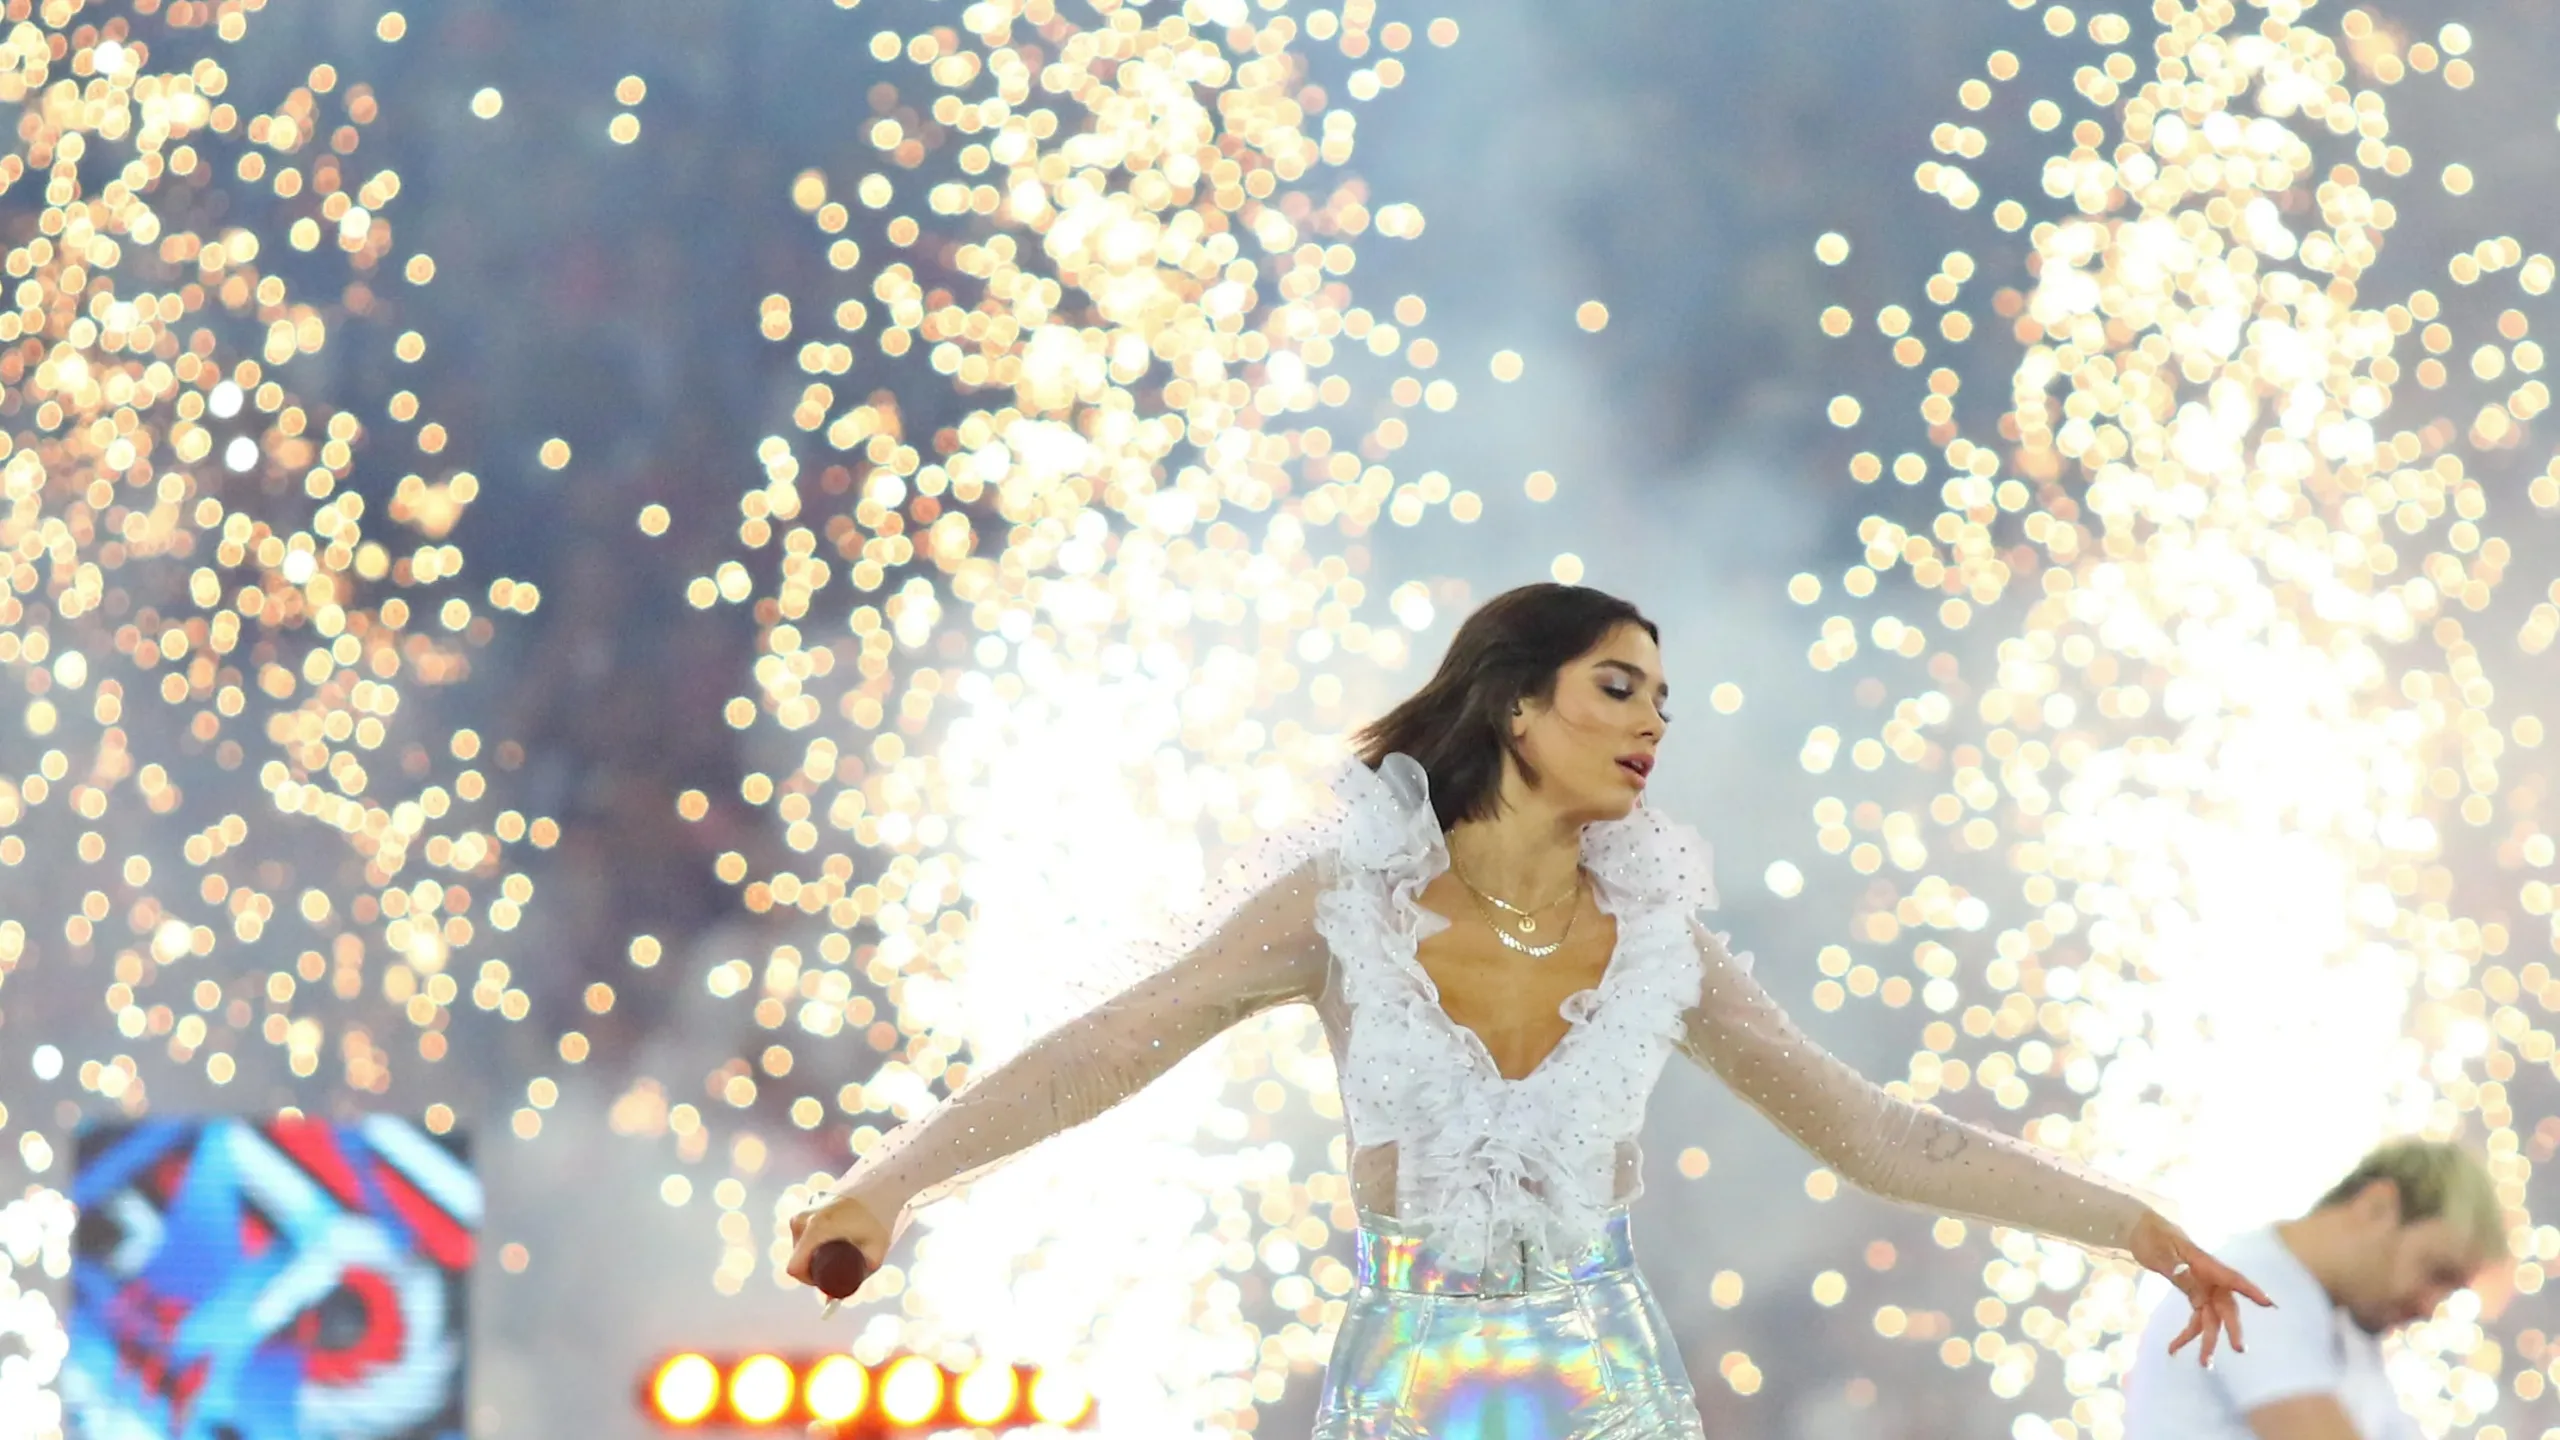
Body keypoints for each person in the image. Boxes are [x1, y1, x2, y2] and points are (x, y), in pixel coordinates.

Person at [788, 583, 2269, 1438]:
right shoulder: (1339, 907)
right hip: (1409, 1376)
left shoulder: (1657, 933)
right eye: (1618, 688)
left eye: (1663, 702)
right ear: (1515, 704)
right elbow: (1116, 1040)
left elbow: (1871, 1135)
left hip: (1602, 1375)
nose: (1652, 724)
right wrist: (889, 1184)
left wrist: (2133, 1224)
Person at [2124, 1139, 2507, 1440]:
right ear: (2376, 1206)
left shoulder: (2345, 1327)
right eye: (2436, 1272)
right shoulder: (2250, 1288)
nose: (2430, 1305)